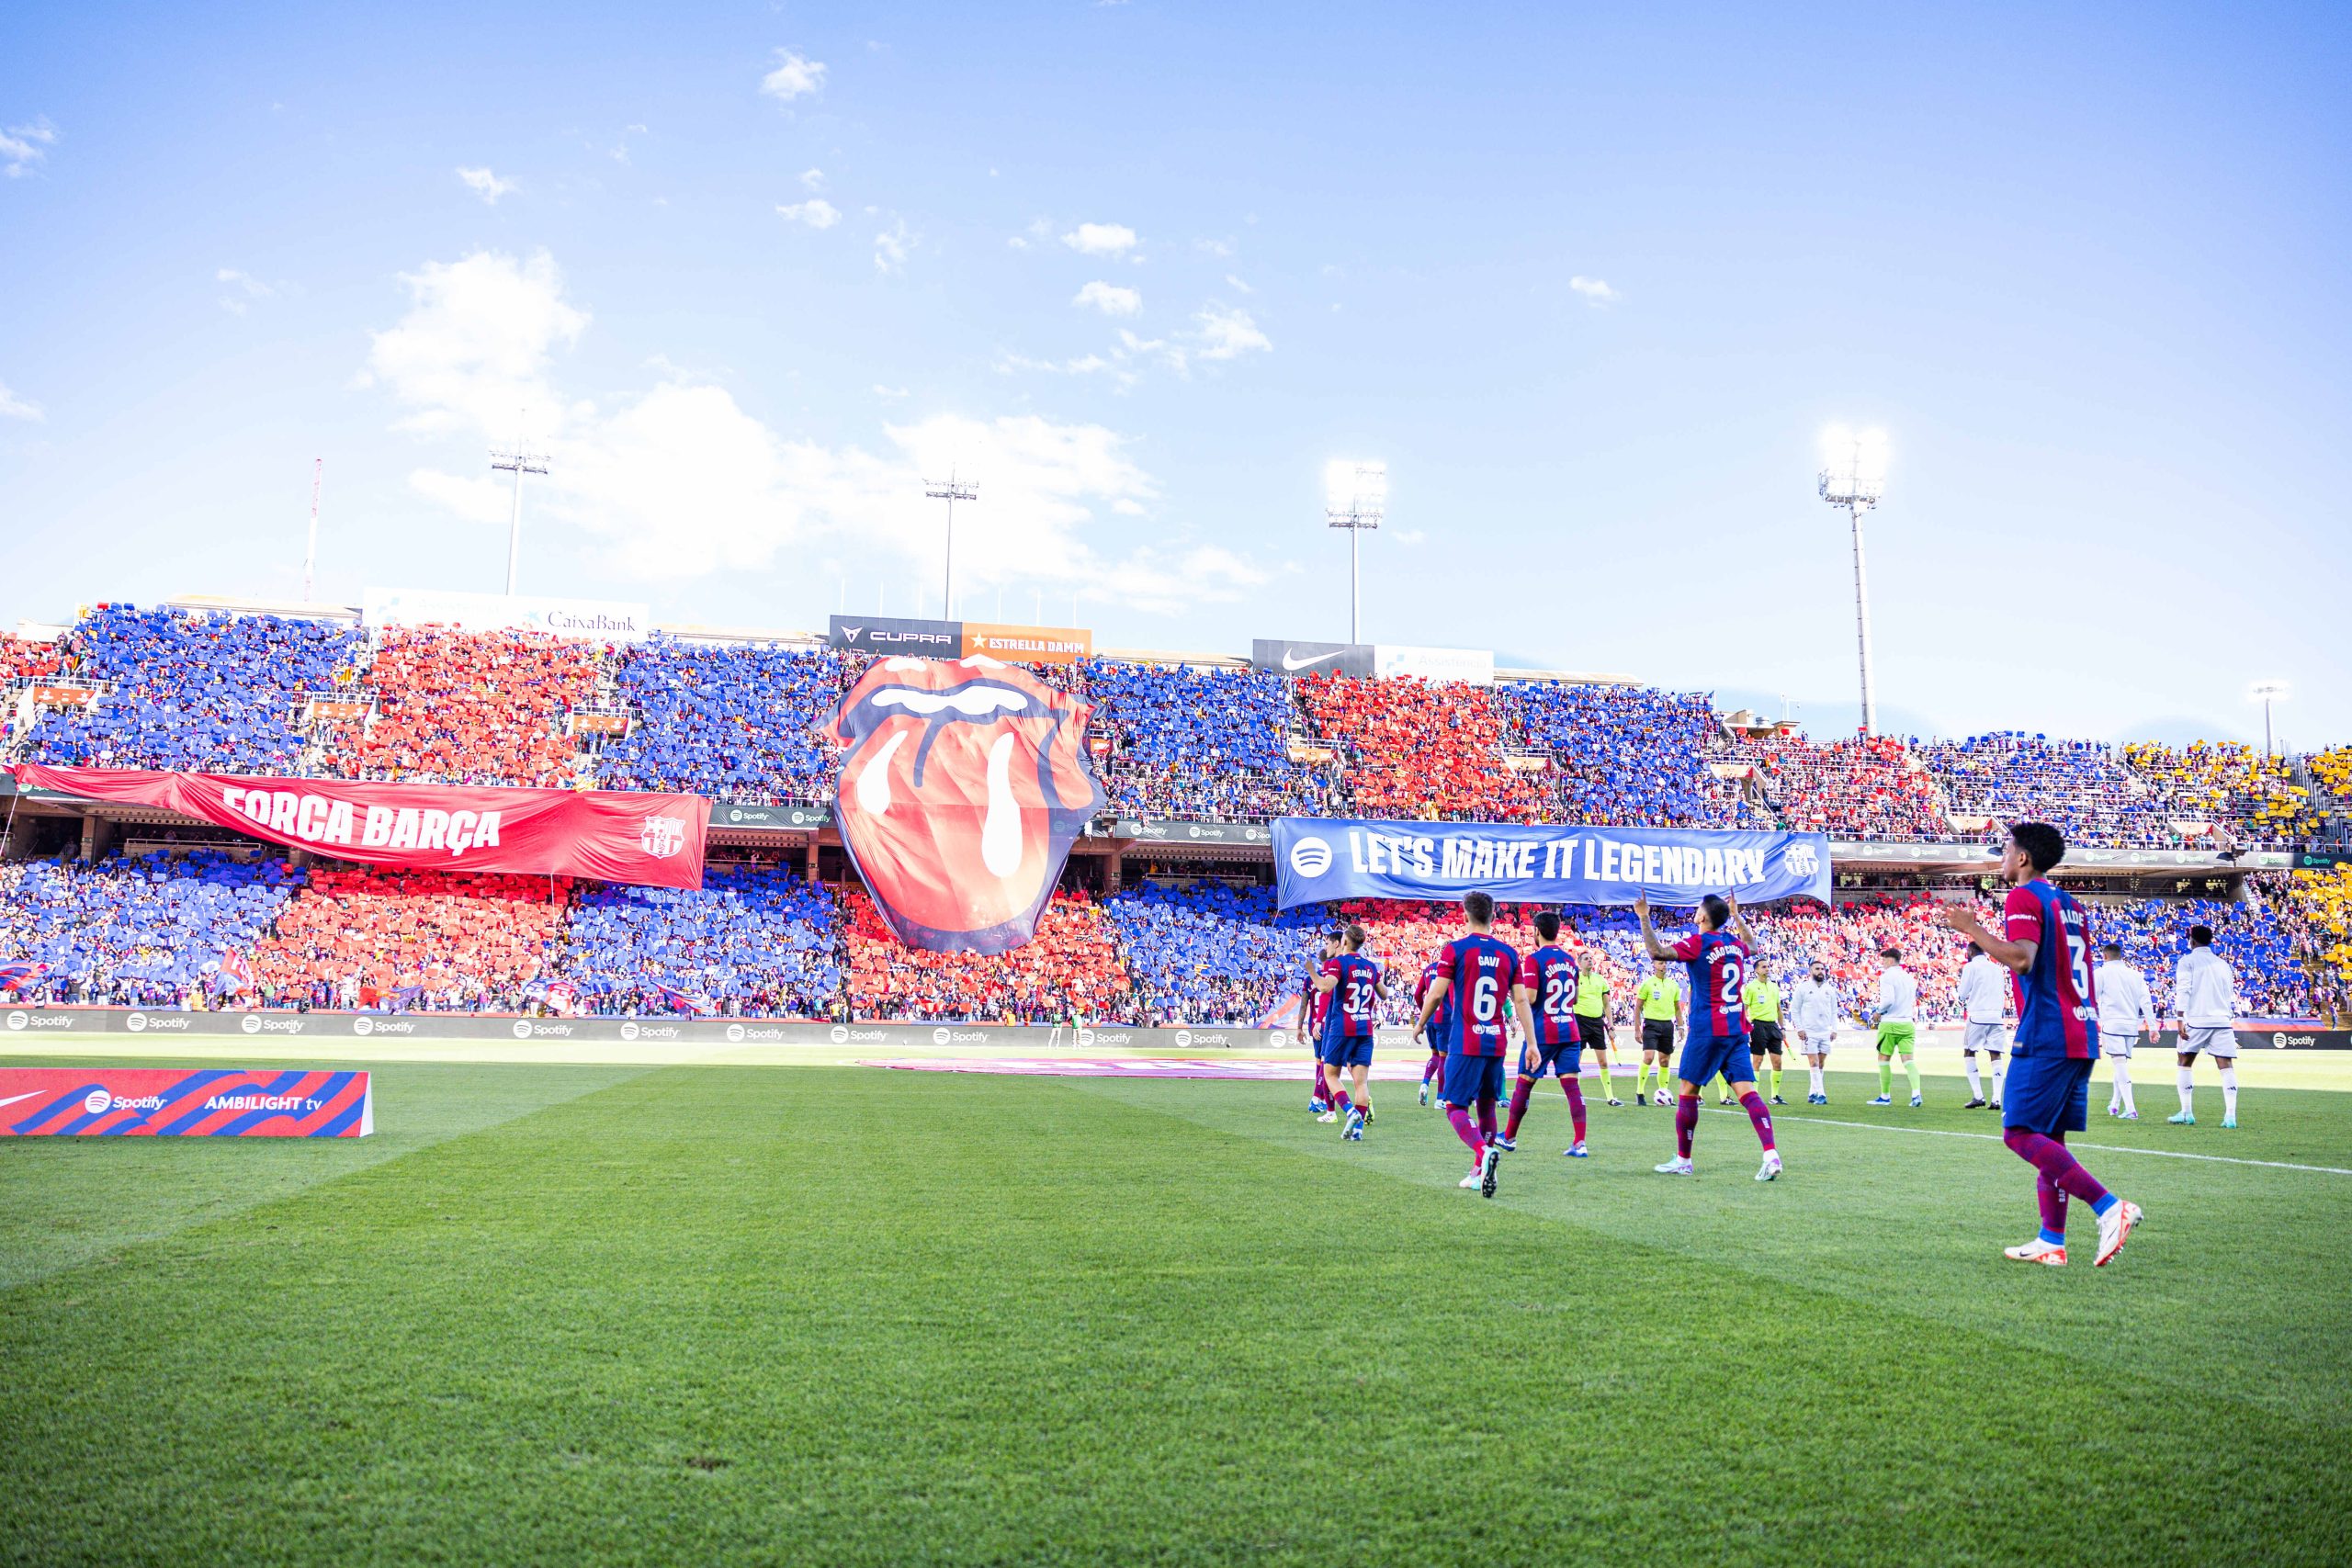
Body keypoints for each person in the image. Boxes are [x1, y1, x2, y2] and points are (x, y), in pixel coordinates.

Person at [1940, 821, 2141, 1268]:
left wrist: (1972, 929)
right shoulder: (2069, 904)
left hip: (2048, 1031)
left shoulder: (2023, 896)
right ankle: (2051, 1239)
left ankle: (2110, 1207)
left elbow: (2021, 958)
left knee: (2018, 1133)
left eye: (2006, 851)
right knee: (2051, 1140)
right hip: (2082, 1030)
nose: (2003, 858)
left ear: (2024, 858)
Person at [1635, 891, 1781, 1181]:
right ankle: (1771, 1154)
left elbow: (1658, 953)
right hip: (1737, 1030)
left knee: (1688, 1091)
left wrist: (1643, 916)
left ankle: (1684, 1160)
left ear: (1702, 917)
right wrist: (1737, 914)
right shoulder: (1735, 944)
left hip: (1707, 1030)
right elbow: (1752, 943)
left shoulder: (1699, 943)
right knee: (1747, 1093)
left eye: (1698, 910)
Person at [1412, 889, 1520, 1197]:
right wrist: (1533, 1041)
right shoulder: (1509, 953)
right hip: (1496, 1042)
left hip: (1466, 1040)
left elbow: (1435, 994)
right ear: (1494, 916)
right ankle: (1478, 1170)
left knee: (1455, 1106)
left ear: (1465, 916)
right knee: (1487, 1104)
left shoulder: (1456, 950)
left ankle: (1483, 1152)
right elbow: (1521, 1000)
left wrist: (1420, 1024)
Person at [1497, 909, 1589, 1158]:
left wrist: (1513, 994)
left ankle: (1509, 1137)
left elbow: (1532, 997)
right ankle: (1580, 1142)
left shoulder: (1534, 960)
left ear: (1536, 931)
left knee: (1524, 1084)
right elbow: (1576, 999)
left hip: (1543, 1033)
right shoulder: (1571, 961)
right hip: (1569, 1030)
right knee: (1572, 1087)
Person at [1314, 924, 1382, 1140]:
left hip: (1342, 1026)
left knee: (1330, 1074)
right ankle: (1358, 1130)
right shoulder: (1371, 966)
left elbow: (1325, 987)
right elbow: (1385, 993)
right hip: (1365, 1027)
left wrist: (1310, 970)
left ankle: (1350, 1111)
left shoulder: (1338, 963)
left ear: (1344, 942)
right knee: (1361, 1082)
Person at [2169, 924, 2241, 1128]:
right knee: (2226, 1066)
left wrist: (2180, 1019)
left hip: (2198, 1020)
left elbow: (2184, 989)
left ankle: (2186, 1113)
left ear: (2192, 941)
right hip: (2222, 1020)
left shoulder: (2187, 961)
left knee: (2184, 1061)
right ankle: (2230, 1117)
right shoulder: (2223, 964)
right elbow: (2229, 993)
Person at [2094, 941, 2159, 1120]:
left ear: (2104, 956)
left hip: (2112, 1024)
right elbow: (2146, 1001)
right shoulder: (2135, 975)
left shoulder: (2100, 973)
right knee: (2120, 1064)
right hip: (2131, 1025)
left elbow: (2092, 998)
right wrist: (2152, 1027)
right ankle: (2114, 1104)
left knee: (2119, 1064)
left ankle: (2131, 1109)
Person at [1955, 940, 2012, 1111]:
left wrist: (1964, 997)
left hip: (1978, 1015)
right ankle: (1996, 1099)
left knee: (1969, 1051)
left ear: (1971, 952)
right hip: (1996, 1016)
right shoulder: (1996, 968)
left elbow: (1962, 993)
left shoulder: (1970, 967)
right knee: (1995, 1055)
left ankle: (1978, 1096)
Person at [1868, 946, 1922, 1108]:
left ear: (1890, 960)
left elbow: (1889, 1000)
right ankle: (1916, 1094)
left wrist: (1878, 1011)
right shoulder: (1909, 978)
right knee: (1908, 1061)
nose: (1883, 964)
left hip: (1890, 1022)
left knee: (1883, 1059)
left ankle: (1885, 1096)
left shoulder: (1887, 976)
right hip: (1907, 1022)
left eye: (1884, 960)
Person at [1295, 931, 1340, 1116]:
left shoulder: (1309, 980)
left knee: (1319, 1063)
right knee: (1327, 1064)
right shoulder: (1333, 977)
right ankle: (1317, 1098)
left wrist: (1299, 1027)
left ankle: (1320, 1099)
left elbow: (1303, 1005)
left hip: (1314, 1022)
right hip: (1327, 1023)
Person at [1573, 948, 1623, 1106]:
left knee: (1603, 1062)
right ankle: (1575, 1098)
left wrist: (1611, 1026)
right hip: (1579, 1021)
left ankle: (1610, 1097)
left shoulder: (1600, 980)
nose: (1590, 960)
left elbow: (1607, 1005)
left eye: (1591, 958)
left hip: (1597, 1023)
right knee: (1576, 1061)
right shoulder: (1574, 979)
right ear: (1579, 963)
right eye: (1586, 959)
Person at [1633, 956, 1684, 1106]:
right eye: (1660, 963)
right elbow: (1638, 1007)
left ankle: (1664, 1093)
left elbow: (1677, 1008)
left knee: (1665, 1060)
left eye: (1665, 963)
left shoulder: (1673, 985)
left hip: (1668, 1025)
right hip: (1651, 1024)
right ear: (1654, 966)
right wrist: (1637, 1029)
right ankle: (1640, 1092)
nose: (1664, 966)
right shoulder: (1647, 984)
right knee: (1648, 1057)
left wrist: (1680, 1026)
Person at [1788, 959, 1840, 1104]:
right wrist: (1799, 1028)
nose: (1820, 972)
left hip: (1825, 1031)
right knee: (1814, 1062)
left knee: (1821, 1063)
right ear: (1811, 971)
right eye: (1817, 969)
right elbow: (1795, 1009)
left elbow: (1834, 1011)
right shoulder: (1803, 988)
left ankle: (1812, 1093)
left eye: (1822, 969)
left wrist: (1834, 1029)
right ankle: (1821, 1094)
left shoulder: (1830, 989)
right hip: (1809, 1031)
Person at [1744, 958, 1788, 1105]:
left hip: (1773, 1026)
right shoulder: (1750, 987)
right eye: (1764, 967)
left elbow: (1779, 1009)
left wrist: (1782, 1028)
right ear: (1756, 970)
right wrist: (1745, 1028)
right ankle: (1754, 1096)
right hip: (1757, 1025)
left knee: (1777, 1061)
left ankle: (1775, 1096)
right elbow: (1744, 1009)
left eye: (1768, 967)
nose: (1767, 969)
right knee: (1757, 1061)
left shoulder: (1774, 987)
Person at [1414, 953, 1453, 1108]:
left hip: (1430, 1019)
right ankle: (1441, 1098)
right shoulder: (1452, 968)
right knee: (1444, 1058)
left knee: (1435, 1055)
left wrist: (1425, 1012)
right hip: (1445, 1018)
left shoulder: (1429, 969)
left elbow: (1417, 995)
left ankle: (1425, 1083)